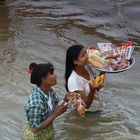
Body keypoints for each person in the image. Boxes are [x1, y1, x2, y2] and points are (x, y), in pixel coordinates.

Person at [24, 62, 72, 140]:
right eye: (51, 73)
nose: (55, 75)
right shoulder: (36, 102)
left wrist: (66, 99)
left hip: (47, 133)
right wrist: (55, 114)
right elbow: (35, 129)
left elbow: (56, 106)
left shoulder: (50, 91)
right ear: (43, 79)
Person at [65, 44, 105, 112]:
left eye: (86, 52)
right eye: (83, 55)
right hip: (87, 113)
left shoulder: (88, 67)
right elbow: (85, 106)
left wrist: (104, 69)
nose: (87, 56)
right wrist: (92, 90)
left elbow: (97, 87)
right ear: (75, 61)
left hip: (97, 106)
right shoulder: (73, 81)